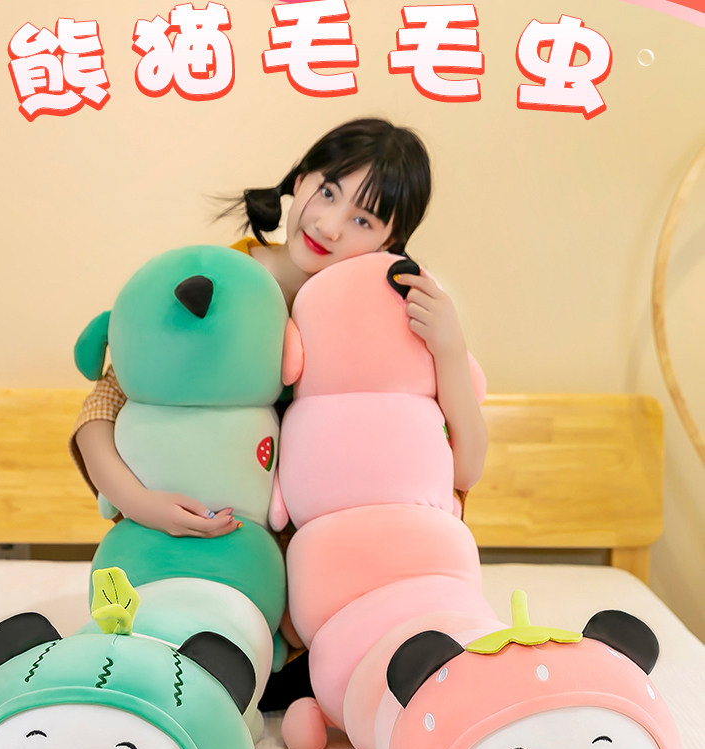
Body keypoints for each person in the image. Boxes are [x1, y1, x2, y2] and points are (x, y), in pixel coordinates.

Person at [71, 117, 487, 541]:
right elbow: (104, 405)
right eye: (328, 193)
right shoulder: (223, 280)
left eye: (363, 221)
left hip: (339, 544)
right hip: (213, 536)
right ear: (301, 180)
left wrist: (450, 349)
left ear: (389, 242)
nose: (329, 226)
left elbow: (465, 470)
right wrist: (139, 502)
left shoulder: (392, 313)